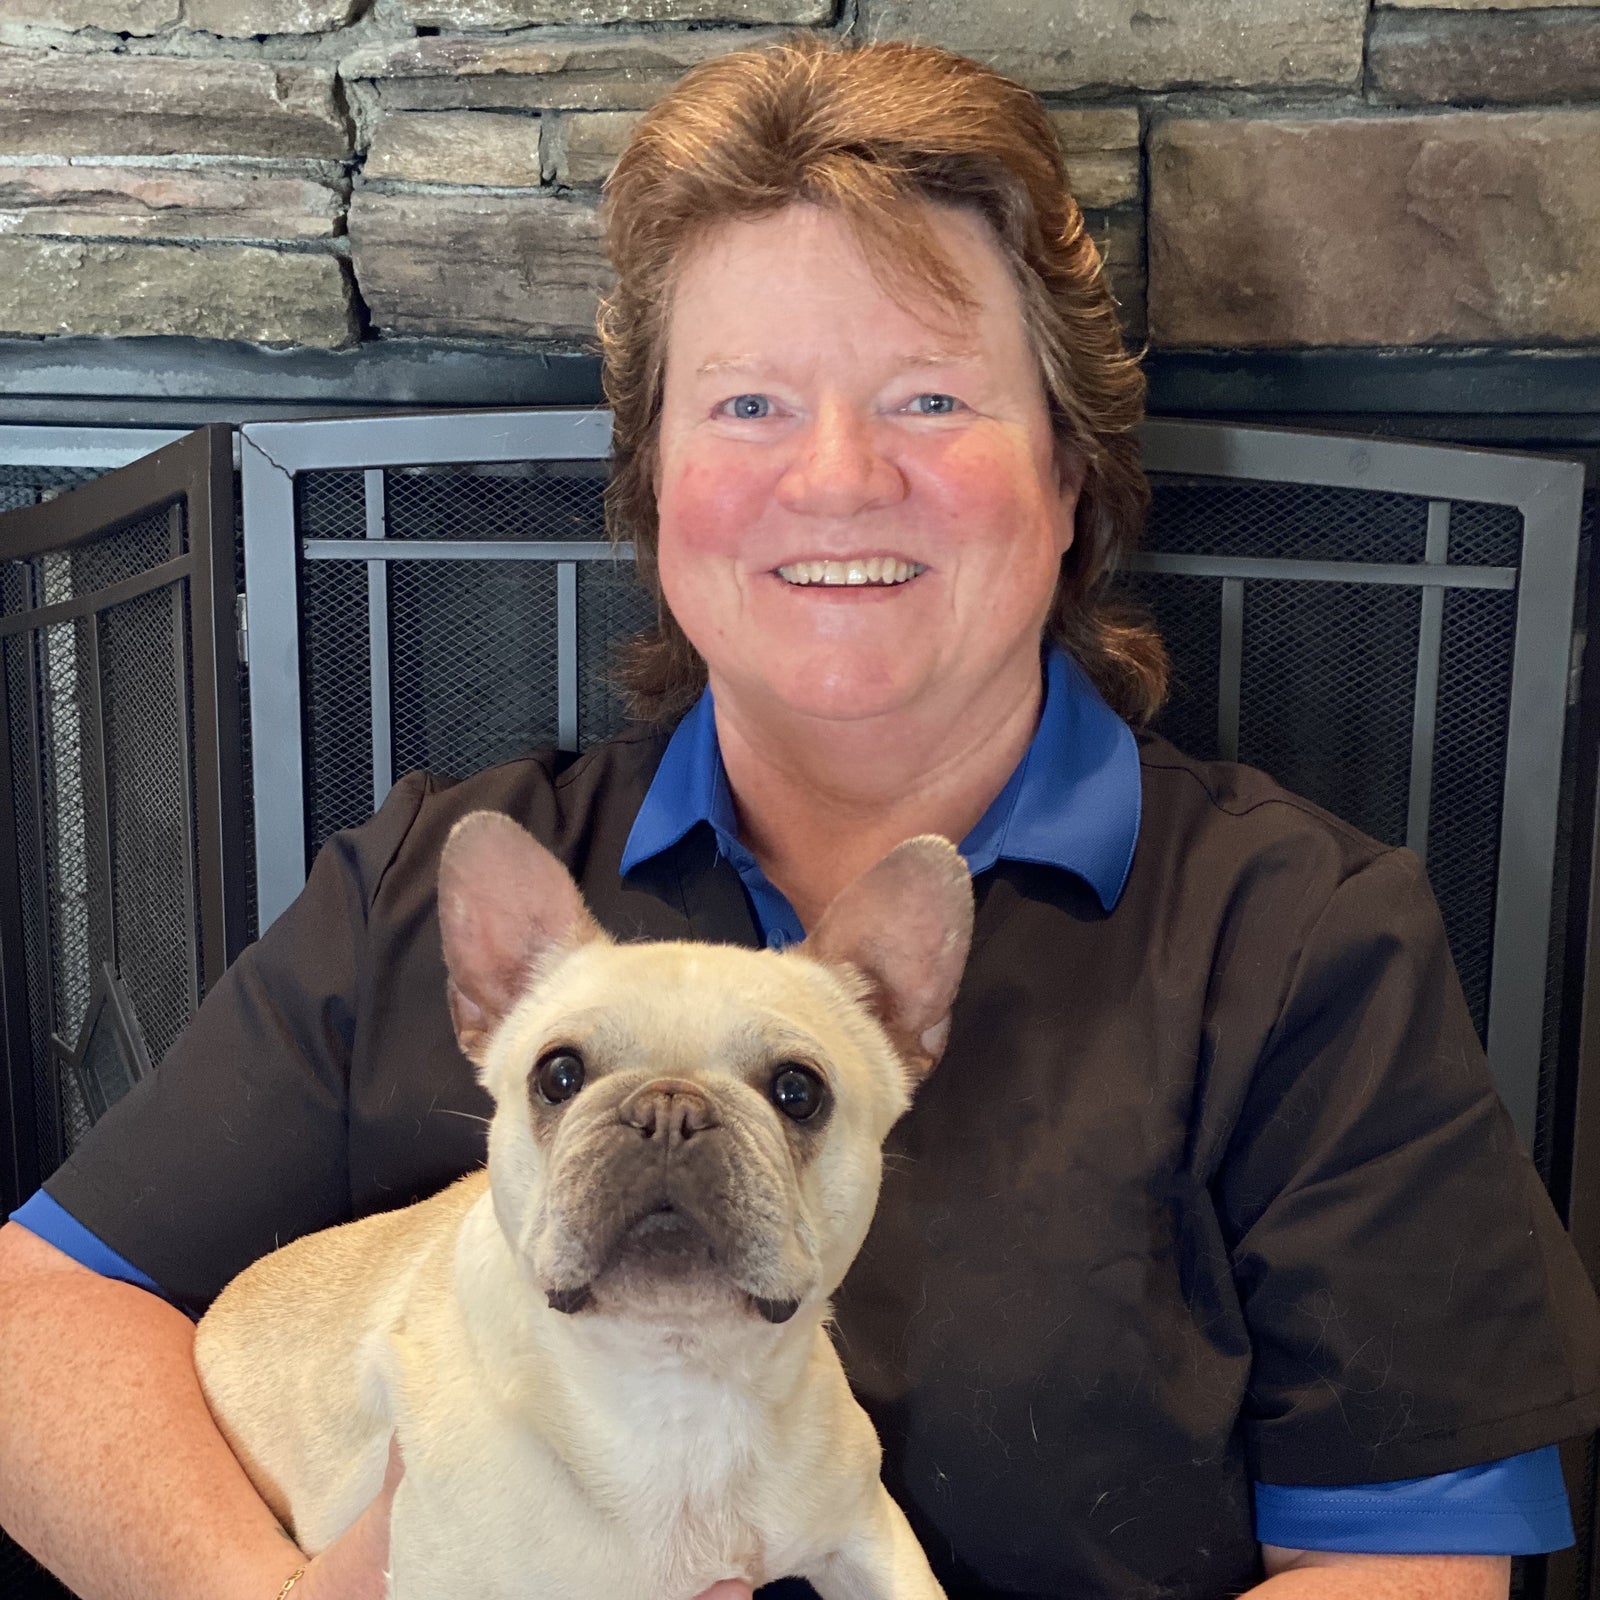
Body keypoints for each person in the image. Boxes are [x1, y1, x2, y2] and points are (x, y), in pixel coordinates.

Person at [2, 33, 1598, 1600]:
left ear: (1071, 476)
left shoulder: (1302, 939)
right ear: (653, 483)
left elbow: (1414, 1567)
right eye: (750, 404)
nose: (836, 479)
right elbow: (32, 1313)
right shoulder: (444, 870)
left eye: (928, 397)